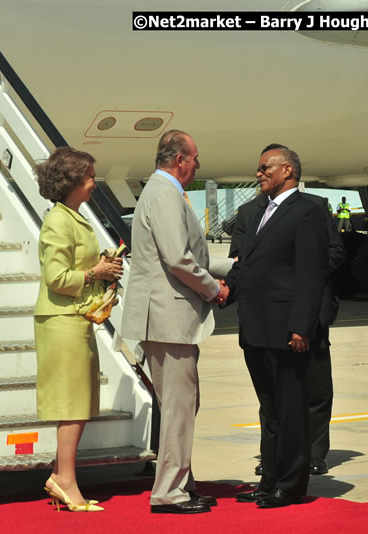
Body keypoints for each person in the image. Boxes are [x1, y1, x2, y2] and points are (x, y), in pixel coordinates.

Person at [120, 129, 229, 515]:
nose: (198, 165)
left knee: (181, 406)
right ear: (179, 159)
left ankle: (181, 482)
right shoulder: (165, 193)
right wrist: (214, 289)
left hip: (164, 317)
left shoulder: (159, 191)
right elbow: (179, 259)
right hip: (169, 317)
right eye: (194, 158)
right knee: (180, 406)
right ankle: (169, 491)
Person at [229, 144, 346, 477]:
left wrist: (302, 274)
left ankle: (314, 453)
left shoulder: (313, 208)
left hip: (307, 311)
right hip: (266, 317)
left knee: (316, 388)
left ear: (287, 170)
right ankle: (275, 455)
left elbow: (334, 252)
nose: (259, 174)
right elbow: (242, 261)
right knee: (274, 395)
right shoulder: (249, 213)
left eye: (265, 167)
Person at [33, 146, 123, 512]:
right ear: (71, 181)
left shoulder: (70, 217)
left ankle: (62, 475)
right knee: (72, 404)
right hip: (62, 320)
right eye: (89, 178)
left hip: (71, 318)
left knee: (78, 402)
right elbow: (56, 277)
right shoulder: (59, 220)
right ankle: (65, 480)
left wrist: (102, 268)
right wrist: (95, 272)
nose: (94, 184)